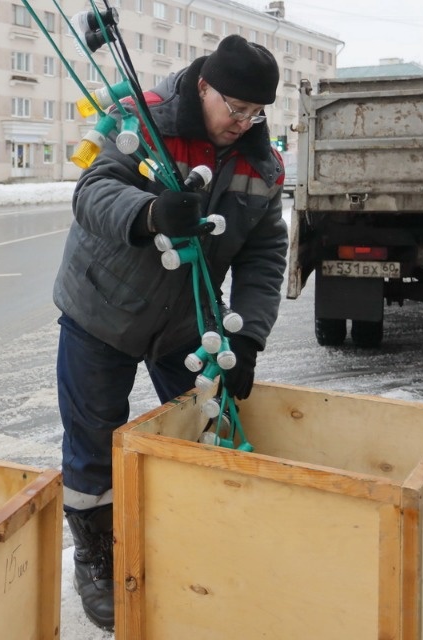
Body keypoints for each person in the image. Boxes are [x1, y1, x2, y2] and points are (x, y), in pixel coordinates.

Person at [52, 34, 287, 630]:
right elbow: (92, 192)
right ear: (204, 84)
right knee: (93, 441)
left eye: (255, 112)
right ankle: (96, 557)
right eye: (234, 108)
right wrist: (149, 213)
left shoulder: (262, 166)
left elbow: (264, 255)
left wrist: (250, 336)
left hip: (187, 323)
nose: (243, 122)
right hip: (101, 308)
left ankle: (190, 534)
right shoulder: (142, 122)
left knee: (198, 429)